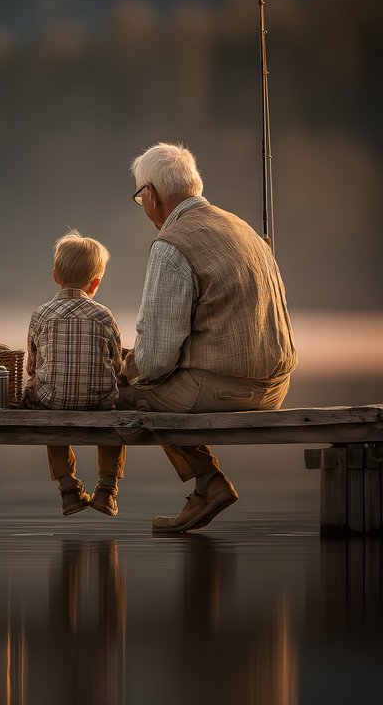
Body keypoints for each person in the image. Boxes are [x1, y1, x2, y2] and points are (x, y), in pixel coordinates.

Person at [118, 142, 297, 532]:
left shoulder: (172, 245)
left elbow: (156, 361)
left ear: (150, 195)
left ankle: (208, 482)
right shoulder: (245, 230)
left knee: (127, 390)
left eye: (139, 198)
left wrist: (124, 366)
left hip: (216, 389)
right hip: (274, 388)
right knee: (142, 374)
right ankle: (207, 485)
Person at [23, 230, 124, 517]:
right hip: (99, 401)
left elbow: (33, 364)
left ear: (55, 275)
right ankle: (107, 487)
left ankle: (67, 486)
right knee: (118, 408)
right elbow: (116, 364)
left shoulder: (40, 314)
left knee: (43, 407)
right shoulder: (104, 316)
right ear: (96, 282)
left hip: (52, 399)